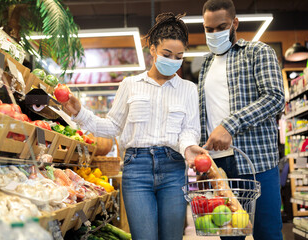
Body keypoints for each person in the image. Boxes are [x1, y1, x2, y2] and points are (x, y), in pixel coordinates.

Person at [62, 12, 206, 240]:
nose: (173, 60)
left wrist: (189, 148)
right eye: (167, 54)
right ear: (153, 50)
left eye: (179, 56)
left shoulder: (189, 89)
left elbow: (189, 130)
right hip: (136, 169)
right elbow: (111, 126)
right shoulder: (130, 85)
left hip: (173, 168)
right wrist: (80, 113)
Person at [198, 0, 285, 239]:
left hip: (256, 164)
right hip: (221, 169)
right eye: (209, 29)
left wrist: (230, 125)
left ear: (235, 23)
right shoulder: (205, 64)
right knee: (230, 234)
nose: (214, 33)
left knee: (267, 233)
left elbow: (275, 97)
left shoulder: (258, 52)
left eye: (221, 26)